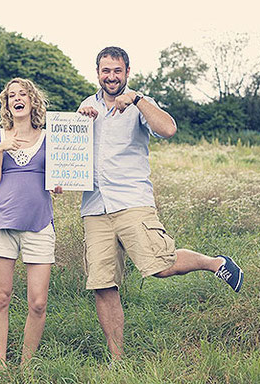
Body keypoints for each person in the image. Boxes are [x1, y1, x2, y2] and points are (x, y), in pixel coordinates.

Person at [77, 47, 244, 361]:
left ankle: (215, 263)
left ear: (127, 72)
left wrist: (138, 100)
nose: (111, 76)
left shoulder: (140, 103)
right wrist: (79, 127)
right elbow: (73, 156)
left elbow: (168, 129)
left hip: (132, 202)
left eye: (117, 71)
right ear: (97, 72)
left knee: (161, 266)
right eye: (105, 71)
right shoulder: (86, 106)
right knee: (103, 284)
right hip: (95, 208)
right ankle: (118, 361)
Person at [0, 78, 61, 368]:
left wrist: (59, 183)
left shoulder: (49, 136)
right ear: (7, 104)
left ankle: (26, 367)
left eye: (23, 94)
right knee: (1, 298)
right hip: (3, 225)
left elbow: (58, 176)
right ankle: (2, 366)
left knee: (38, 302)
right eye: (11, 95)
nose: (17, 98)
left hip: (39, 226)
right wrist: (1, 149)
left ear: (32, 101)